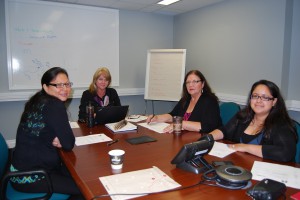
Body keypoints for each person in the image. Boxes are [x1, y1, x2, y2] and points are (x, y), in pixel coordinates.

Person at [10, 67, 83, 199]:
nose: (65, 89)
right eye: (58, 85)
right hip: (32, 176)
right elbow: (68, 144)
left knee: (77, 173)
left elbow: (45, 131)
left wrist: (57, 137)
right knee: (84, 188)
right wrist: (60, 139)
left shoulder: (37, 100)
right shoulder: (54, 105)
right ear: (45, 86)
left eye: (67, 84)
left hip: (20, 170)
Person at [206, 80, 297, 162]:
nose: (258, 101)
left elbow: (285, 153)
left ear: (274, 101)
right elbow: (224, 131)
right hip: (240, 165)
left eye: (265, 97)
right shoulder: (243, 116)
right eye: (255, 96)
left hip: (264, 173)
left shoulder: (282, 124)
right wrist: (206, 139)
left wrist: (245, 147)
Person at [146, 70, 222, 133]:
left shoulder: (210, 101)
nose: (191, 85)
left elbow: (208, 127)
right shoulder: (186, 99)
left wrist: (181, 124)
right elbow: (173, 116)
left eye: (195, 81)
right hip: (187, 137)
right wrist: (157, 118)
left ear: (202, 84)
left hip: (206, 141)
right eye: (188, 82)